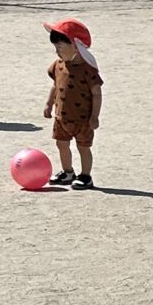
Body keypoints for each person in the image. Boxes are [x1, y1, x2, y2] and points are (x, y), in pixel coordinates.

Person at [43, 18, 103, 187]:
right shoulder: (58, 65)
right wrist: (49, 103)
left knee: (83, 147)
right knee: (61, 144)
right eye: (55, 48)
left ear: (75, 46)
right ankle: (68, 172)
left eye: (60, 47)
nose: (57, 52)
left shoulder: (88, 70)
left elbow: (97, 93)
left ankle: (85, 176)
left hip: (82, 119)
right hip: (61, 117)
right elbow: (55, 85)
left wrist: (95, 116)